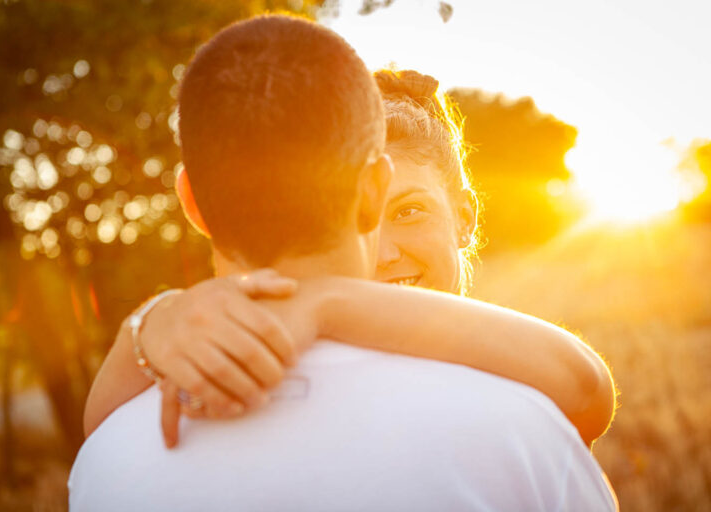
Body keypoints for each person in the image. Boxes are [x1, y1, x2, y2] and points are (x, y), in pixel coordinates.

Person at [70, 14, 617, 511]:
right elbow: (589, 390)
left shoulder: (108, 462)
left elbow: (98, 432)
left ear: (192, 203)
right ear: (370, 191)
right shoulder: (523, 430)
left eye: (413, 212)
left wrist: (150, 325)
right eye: (388, 212)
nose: (384, 255)